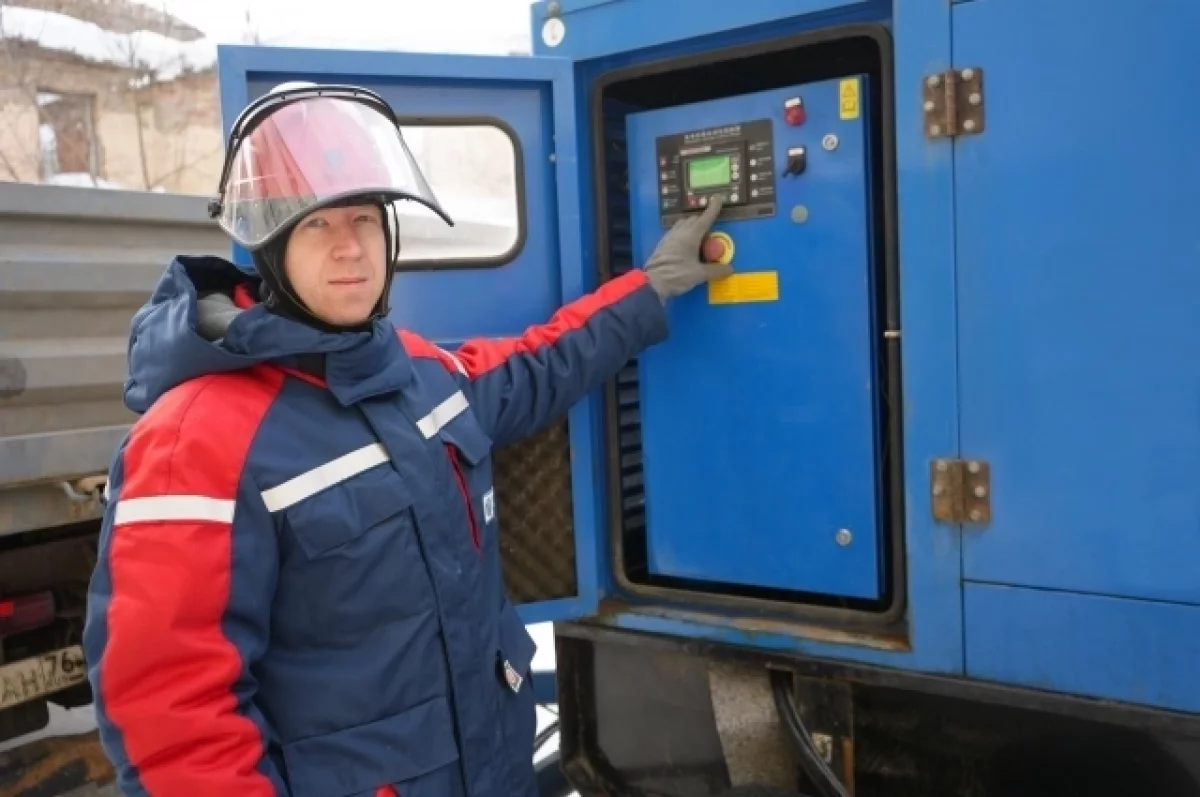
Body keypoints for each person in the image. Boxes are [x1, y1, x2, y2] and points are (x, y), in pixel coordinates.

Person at [81, 82, 730, 797]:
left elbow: (538, 365)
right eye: (317, 225)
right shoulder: (195, 441)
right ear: (271, 246)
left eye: (365, 218)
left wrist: (651, 287)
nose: (350, 248)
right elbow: (173, 721)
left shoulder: (419, 373)